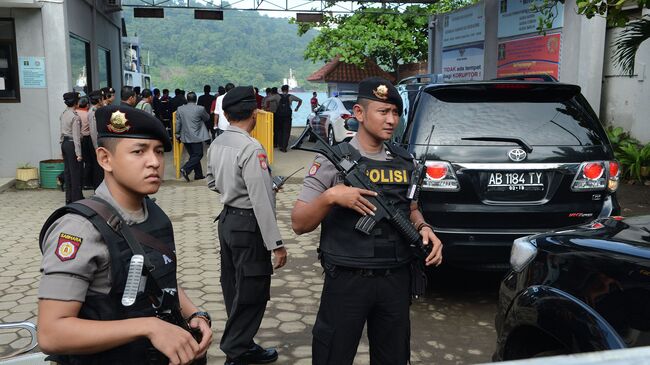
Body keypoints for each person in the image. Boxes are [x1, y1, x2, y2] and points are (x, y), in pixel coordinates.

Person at [37, 105, 213, 365]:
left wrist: (192, 313)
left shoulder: (153, 213)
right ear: (105, 159)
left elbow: (158, 278)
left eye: (158, 152)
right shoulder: (78, 229)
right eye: (139, 151)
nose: (154, 162)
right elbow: (52, 333)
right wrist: (150, 327)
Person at [291, 77, 443, 365]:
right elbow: (299, 223)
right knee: (333, 355)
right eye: (383, 112)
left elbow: (410, 208)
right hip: (347, 280)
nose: (391, 120)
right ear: (359, 114)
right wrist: (331, 197)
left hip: (395, 279)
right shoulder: (332, 161)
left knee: (394, 357)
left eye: (396, 113)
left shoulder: (405, 161)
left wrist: (425, 228)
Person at [206, 86, 287, 365]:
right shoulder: (252, 148)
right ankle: (236, 349)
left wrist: (233, 189)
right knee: (252, 289)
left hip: (227, 221)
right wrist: (276, 244)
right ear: (254, 113)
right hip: (248, 225)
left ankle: (243, 343)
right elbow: (262, 201)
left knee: (233, 286)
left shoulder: (217, 143)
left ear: (226, 115)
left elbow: (211, 182)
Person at [176, 91, 211, 182]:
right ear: (196, 99)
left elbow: (178, 123)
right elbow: (207, 118)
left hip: (185, 136)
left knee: (193, 155)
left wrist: (177, 134)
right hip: (197, 136)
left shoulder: (180, 109)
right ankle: (186, 169)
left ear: (187, 99)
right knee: (198, 154)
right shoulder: (200, 108)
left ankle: (198, 175)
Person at [60, 92, 84, 204]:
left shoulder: (64, 114)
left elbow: (61, 133)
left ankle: (68, 198)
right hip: (72, 144)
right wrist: (78, 153)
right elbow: (76, 137)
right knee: (75, 173)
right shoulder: (75, 117)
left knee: (67, 172)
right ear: (75, 102)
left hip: (65, 144)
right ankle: (76, 199)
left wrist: (61, 145)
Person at [275, 84, 302, 152]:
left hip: (279, 116)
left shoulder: (277, 96)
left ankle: (280, 145)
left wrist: (267, 107)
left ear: (281, 90)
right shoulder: (291, 97)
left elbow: (267, 100)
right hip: (287, 116)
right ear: (287, 90)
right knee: (286, 131)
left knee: (279, 131)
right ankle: (284, 147)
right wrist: (297, 108)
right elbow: (300, 100)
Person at [87, 90, 104, 189]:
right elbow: (93, 131)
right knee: (98, 168)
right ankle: (98, 189)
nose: (103, 100)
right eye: (101, 98)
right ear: (98, 100)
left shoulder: (96, 110)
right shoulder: (93, 112)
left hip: (97, 141)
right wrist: (96, 147)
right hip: (95, 142)